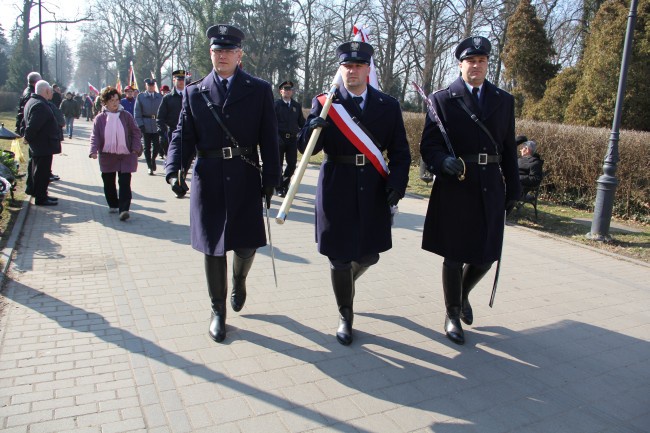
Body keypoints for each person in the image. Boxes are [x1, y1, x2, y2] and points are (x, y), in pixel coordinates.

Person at [165, 24, 280, 343]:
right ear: (210, 54)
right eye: (217, 51)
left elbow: (269, 138)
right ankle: (218, 310)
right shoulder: (194, 91)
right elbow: (182, 135)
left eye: (229, 51)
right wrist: (174, 168)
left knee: (246, 244)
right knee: (213, 248)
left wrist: (272, 177)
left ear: (239, 55)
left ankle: (239, 279)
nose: (222, 56)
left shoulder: (258, 90)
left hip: (244, 175)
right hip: (209, 178)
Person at [297, 41, 411, 345]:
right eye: (347, 66)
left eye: (359, 66)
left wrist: (396, 186)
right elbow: (305, 147)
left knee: (370, 254)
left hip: (373, 186)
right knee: (339, 258)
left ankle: (344, 284)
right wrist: (312, 127)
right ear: (341, 69)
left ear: (368, 69)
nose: (352, 71)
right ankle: (345, 314)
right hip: (336, 184)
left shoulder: (388, 105)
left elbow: (401, 152)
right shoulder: (326, 102)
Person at [419, 36, 521, 345]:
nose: (476, 66)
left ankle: (461, 294)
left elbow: (508, 148)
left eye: (482, 61)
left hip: (490, 185)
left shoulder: (503, 100)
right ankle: (452, 315)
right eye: (470, 61)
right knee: (453, 255)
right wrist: (442, 161)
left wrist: (514, 188)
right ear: (460, 64)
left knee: (486, 256)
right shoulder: (442, 98)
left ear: (488, 64)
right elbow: (429, 144)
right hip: (456, 185)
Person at [89, 87, 143, 221]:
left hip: (126, 154)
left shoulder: (126, 116)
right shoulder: (100, 118)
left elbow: (136, 132)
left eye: (117, 100)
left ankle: (124, 209)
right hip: (107, 155)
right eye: (111, 100)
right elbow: (95, 136)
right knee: (108, 182)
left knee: (125, 182)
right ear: (105, 102)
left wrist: (136, 148)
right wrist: (93, 150)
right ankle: (113, 203)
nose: (115, 103)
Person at [22, 80, 62, 206]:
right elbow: (34, 125)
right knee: (42, 173)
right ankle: (41, 197)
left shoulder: (33, 101)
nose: (51, 93)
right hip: (43, 145)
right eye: (50, 91)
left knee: (40, 171)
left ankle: (40, 194)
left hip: (41, 144)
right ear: (46, 91)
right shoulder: (40, 105)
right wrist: (27, 137)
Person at [273, 80, 305, 197]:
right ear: (280, 91)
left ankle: (285, 184)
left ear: (292, 92)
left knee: (292, 165)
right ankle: (279, 187)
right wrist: (276, 137)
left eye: (289, 89)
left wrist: (310, 128)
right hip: (279, 138)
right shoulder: (275, 105)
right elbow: (271, 124)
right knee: (278, 165)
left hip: (292, 140)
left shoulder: (296, 106)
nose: (287, 91)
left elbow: (301, 122)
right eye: (285, 89)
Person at [16, 71, 41, 197]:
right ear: (36, 82)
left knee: (33, 160)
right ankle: (31, 186)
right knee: (33, 161)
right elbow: (27, 116)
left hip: (28, 131)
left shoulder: (27, 92)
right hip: (31, 133)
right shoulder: (30, 94)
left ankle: (32, 186)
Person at [157, 70, 186, 168]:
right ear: (174, 80)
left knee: (185, 157)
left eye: (183, 79)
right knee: (173, 155)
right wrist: (162, 132)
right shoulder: (168, 98)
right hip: (173, 131)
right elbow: (160, 117)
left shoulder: (189, 96)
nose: (181, 82)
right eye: (179, 80)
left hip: (188, 131)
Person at [134, 78, 163, 174]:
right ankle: (149, 166)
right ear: (146, 86)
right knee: (147, 147)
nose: (151, 87)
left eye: (152, 85)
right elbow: (137, 112)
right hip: (145, 124)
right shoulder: (141, 97)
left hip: (156, 124)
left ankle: (153, 159)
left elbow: (163, 111)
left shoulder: (159, 97)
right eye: (149, 85)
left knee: (157, 146)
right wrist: (140, 124)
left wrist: (162, 123)